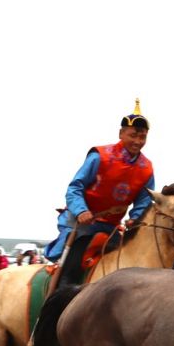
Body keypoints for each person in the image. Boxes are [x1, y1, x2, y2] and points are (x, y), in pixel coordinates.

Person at [44, 100, 157, 289]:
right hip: (82, 222)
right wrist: (81, 211)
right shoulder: (100, 156)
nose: (138, 141)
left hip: (110, 227)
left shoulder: (146, 168)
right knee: (71, 269)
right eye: (133, 135)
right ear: (121, 133)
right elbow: (75, 187)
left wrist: (135, 218)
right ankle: (58, 300)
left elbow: (144, 200)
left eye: (142, 137)